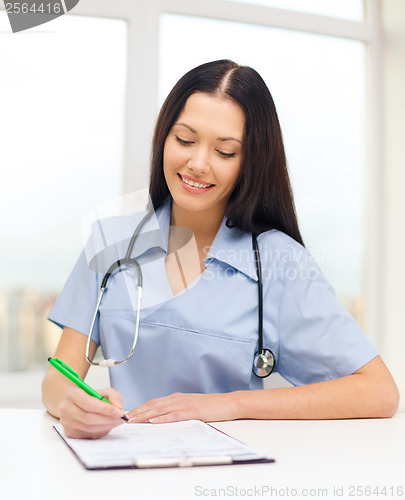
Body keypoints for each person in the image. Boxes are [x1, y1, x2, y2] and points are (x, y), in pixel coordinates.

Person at [42, 59, 399, 439]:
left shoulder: (278, 261)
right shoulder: (109, 242)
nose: (198, 164)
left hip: (229, 471)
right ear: (164, 137)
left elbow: (378, 391)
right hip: (120, 469)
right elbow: (57, 380)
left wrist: (228, 404)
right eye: (184, 140)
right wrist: (74, 405)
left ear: (251, 162)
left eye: (225, 152)